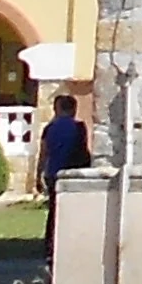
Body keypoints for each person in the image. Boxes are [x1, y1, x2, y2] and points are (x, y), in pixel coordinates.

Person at [35, 90, 94, 271]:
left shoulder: (50, 129)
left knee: (54, 213)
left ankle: (51, 248)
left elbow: (44, 153)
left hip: (55, 174)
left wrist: (38, 174)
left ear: (57, 108)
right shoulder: (79, 128)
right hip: (74, 173)